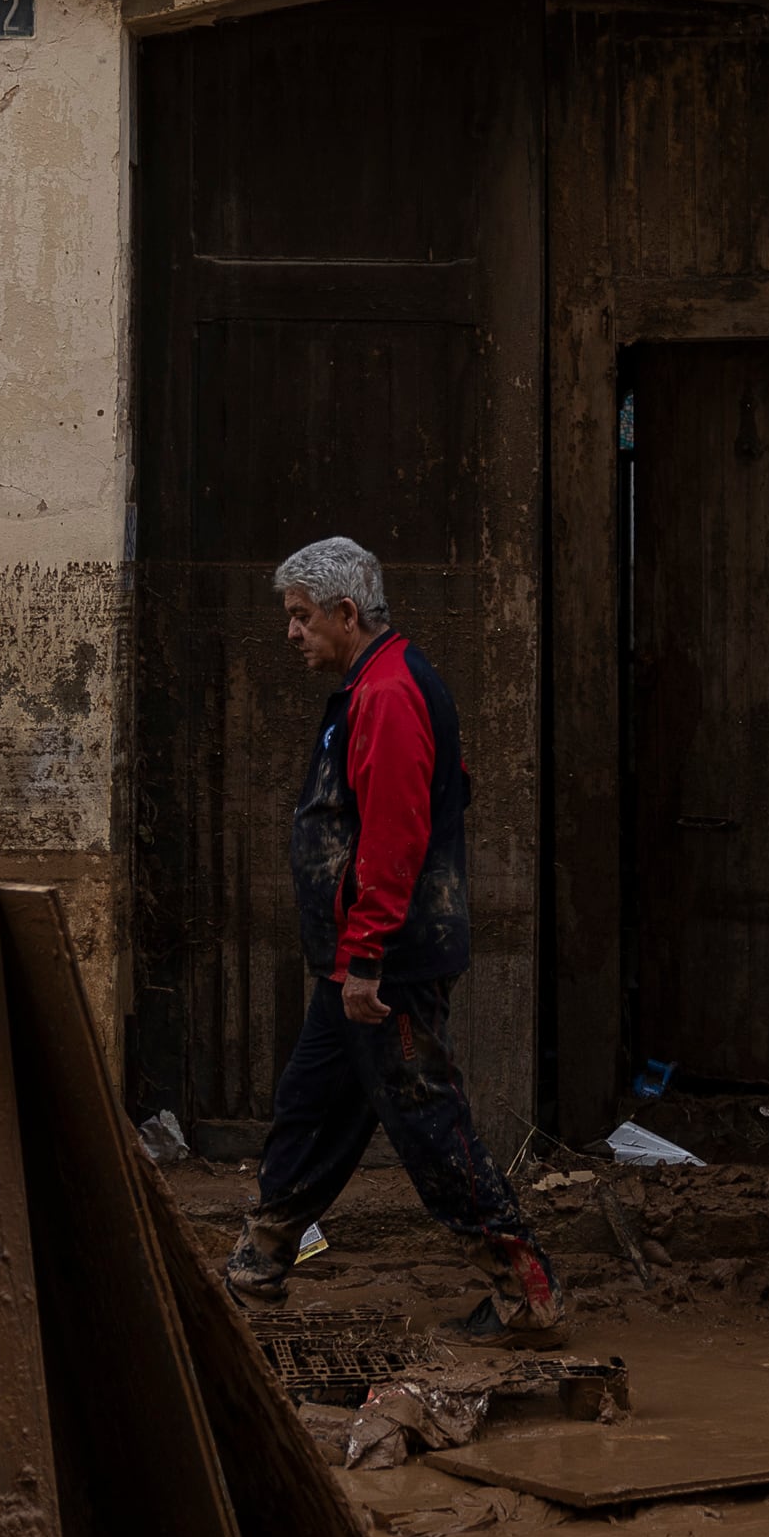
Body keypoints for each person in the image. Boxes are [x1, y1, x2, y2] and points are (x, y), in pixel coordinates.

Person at [224, 536, 565, 1346]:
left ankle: (527, 1292)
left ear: (347, 614)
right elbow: (450, 788)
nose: (292, 632)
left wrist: (370, 955)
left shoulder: (388, 692)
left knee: (426, 1121)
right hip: (355, 962)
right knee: (310, 1105)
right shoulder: (378, 684)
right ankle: (260, 1263)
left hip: (384, 970)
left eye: (303, 618)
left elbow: (395, 833)